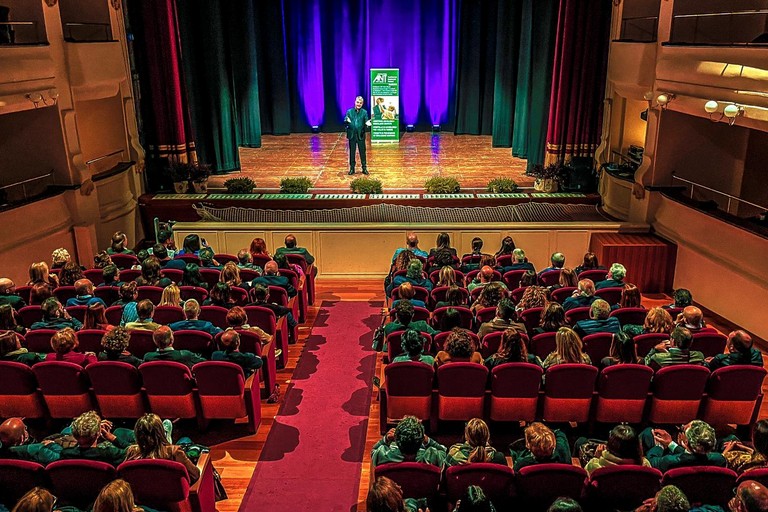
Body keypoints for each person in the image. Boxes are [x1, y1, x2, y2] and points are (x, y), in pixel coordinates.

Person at [126, 413, 200, 482]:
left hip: (144, 495)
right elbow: (195, 475)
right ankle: (166, 436)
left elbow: (124, 477)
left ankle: (167, 436)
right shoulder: (175, 452)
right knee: (185, 439)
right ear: (160, 432)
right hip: (174, 495)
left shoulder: (132, 452)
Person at [641, 420, 726, 472]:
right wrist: (670, 444)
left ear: (686, 442)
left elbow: (650, 461)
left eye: (683, 430)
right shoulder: (719, 460)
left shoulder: (670, 461)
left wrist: (660, 445)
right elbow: (695, 457)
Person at [371, 415, 446, 468]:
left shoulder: (384, 455)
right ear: (422, 440)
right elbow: (443, 452)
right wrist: (428, 441)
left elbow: (374, 451)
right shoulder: (432, 456)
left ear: (396, 440)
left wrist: (386, 439)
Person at [59, 410, 129, 465]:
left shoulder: (66, 454)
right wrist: (112, 437)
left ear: (74, 435)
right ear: (98, 433)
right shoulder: (110, 454)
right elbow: (136, 451)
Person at [581, 424, 650, 475]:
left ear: (610, 444)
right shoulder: (645, 467)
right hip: (635, 495)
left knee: (581, 441)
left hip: (603, 495)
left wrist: (596, 458)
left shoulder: (595, 467)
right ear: (637, 447)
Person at [344, 95, 371, 175]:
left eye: (360, 103)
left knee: (362, 152)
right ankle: (352, 168)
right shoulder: (349, 111)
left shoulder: (364, 112)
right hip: (352, 135)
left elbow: (366, 121)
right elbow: (345, 119)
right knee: (352, 152)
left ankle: (364, 168)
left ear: (362, 104)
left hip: (360, 135)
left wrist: (367, 124)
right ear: (355, 102)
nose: (358, 104)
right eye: (357, 102)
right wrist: (346, 120)